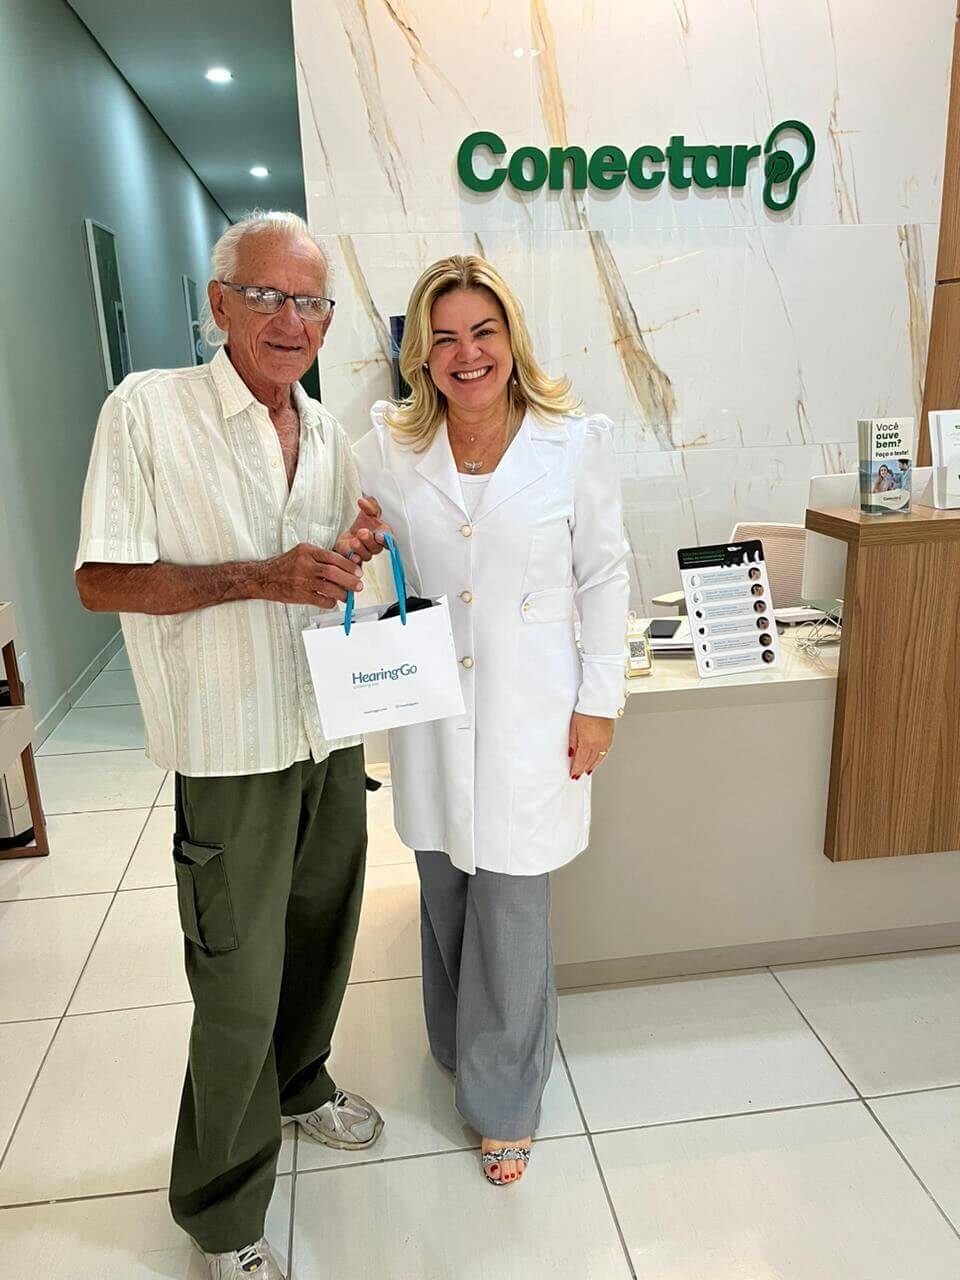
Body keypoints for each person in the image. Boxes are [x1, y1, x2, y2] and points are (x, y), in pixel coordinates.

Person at [75, 212, 389, 1280]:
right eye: (267, 297)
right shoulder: (147, 411)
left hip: (325, 732)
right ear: (219, 304)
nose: (291, 320)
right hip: (229, 749)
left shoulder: (329, 431)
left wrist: (347, 555)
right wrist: (261, 576)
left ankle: (300, 1085)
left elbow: (319, 574)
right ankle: (220, 1211)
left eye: (311, 303)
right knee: (237, 984)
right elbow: (101, 579)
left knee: (323, 938)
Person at [353, 255, 630, 1187]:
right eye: (444, 339)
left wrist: (599, 702)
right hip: (432, 709)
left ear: (511, 339)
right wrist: (350, 550)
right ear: (420, 357)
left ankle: (506, 1099)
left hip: (533, 710)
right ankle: (457, 1044)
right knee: (444, 887)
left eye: (483, 332)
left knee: (511, 900)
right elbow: (361, 549)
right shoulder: (387, 449)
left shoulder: (571, 443)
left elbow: (606, 575)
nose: (466, 354)